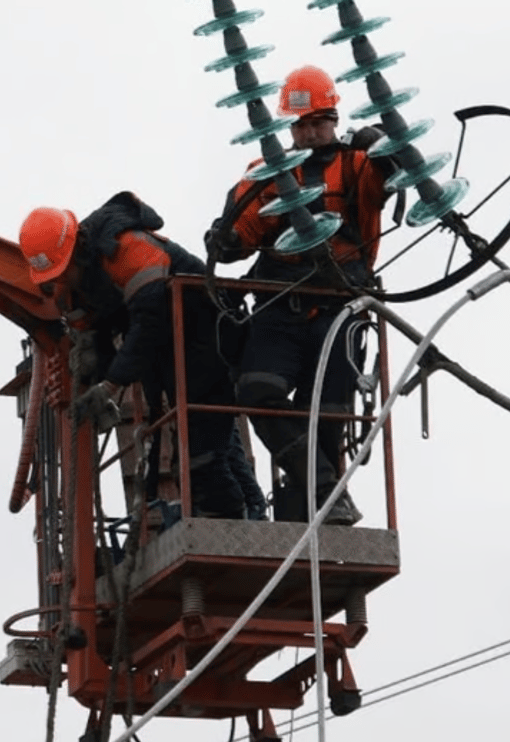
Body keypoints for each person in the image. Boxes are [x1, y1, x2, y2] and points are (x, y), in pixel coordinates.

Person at [205, 65, 394, 525]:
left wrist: (384, 145)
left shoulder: (357, 165)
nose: (310, 133)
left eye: (318, 123)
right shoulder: (265, 174)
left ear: (333, 119)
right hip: (281, 307)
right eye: (302, 125)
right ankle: (326, 490)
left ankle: (320, 498)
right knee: (256, 390)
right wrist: (227, 240)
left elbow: (392, 174)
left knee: (329, 414)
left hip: (339, 307)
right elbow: (243, 228)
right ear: (289, 128)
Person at [18, 191, 252, 521]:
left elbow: (151, 319)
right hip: (170, 351)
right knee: (196, 442)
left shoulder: (126, 248)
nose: (61, 280)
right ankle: (225, 513)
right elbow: (97, 334)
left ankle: (234, 518)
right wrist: (96, 380)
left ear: (77, 249)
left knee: (204, 447)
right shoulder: (77, 285)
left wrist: (111, 385)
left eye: (62, 271)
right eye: (53, 277)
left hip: (206, 333)